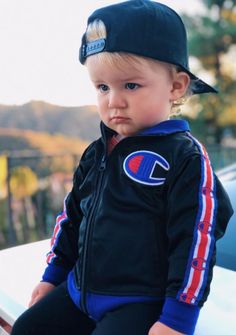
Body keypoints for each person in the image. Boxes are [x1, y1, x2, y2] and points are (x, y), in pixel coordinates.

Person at [11, 1, 233, 335]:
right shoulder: (96, 152)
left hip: (137, 303)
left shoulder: (185, 156)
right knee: (27, 328)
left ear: (176, 87)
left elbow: (196, 239)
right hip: (77, 292)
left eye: (130, 85)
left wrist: (178, 318)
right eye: (102, 87)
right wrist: (52, 277)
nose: (113, 100)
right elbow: (72, 217)